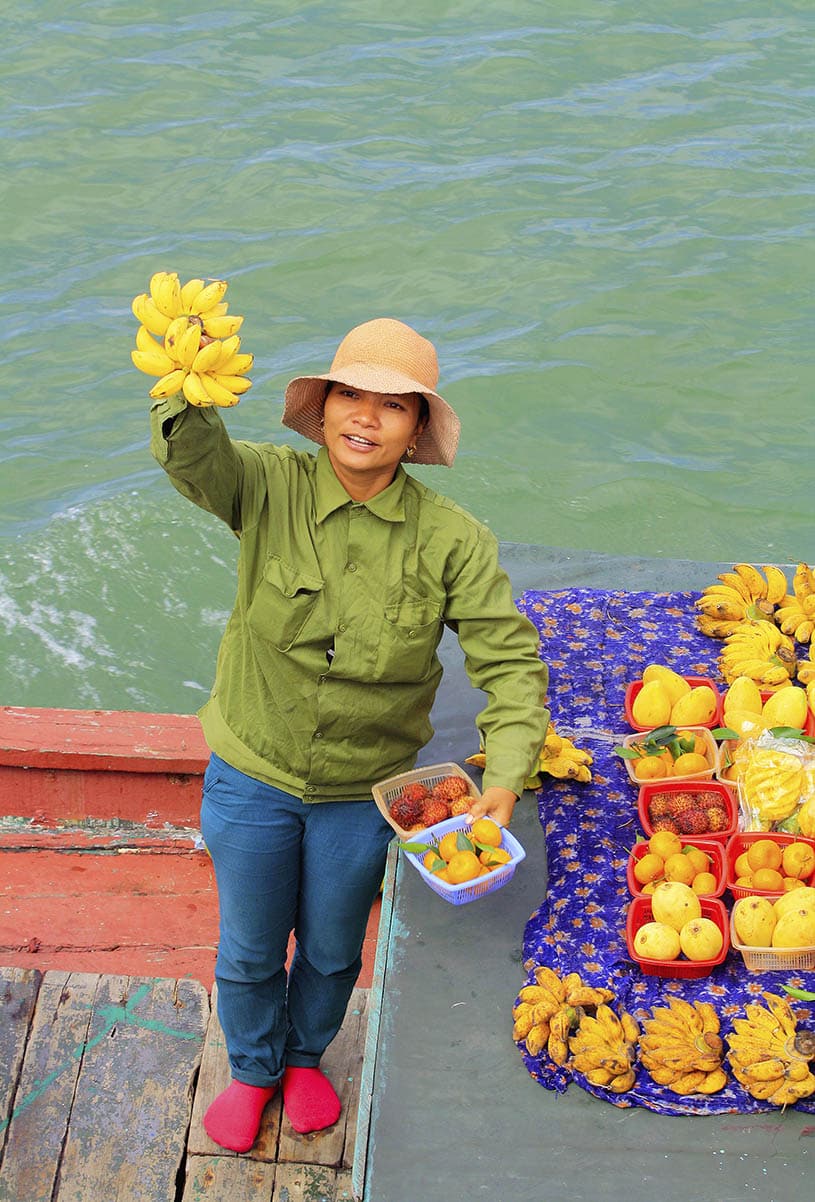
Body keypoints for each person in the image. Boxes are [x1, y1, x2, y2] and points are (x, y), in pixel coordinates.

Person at [148, 316, 549, 1152]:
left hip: (364, 794)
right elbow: (194, 460)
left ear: (415, 431)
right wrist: (184, 397)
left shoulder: (454, 541)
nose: (365, 416)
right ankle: (252, 1068)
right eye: (348, 395)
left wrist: (505, 779)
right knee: (251, 946)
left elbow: (510, 669)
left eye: (391, 406)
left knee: (332, 950)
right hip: (252, 771)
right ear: (322, 408)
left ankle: (303, 1058)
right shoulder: (262, 485)